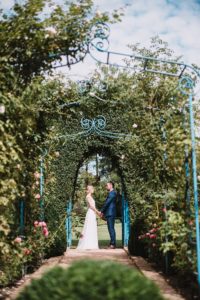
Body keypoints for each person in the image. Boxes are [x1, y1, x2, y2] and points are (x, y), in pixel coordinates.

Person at [77, 185, 100, 250]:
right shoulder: (88, 196)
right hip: (91, 213)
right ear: (90, 190)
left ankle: (92, 244)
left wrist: (96, 212)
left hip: (92, 213)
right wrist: (98, 212)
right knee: (89, 227)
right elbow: (91, 206)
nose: (93, 190)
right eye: (92, 188)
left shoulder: (90, 196)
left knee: (92, 227)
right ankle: (88, 244)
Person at [100, 181, 117, 249]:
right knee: (111, 228)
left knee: (111, 228)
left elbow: (107, 203)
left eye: (107, 185)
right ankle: (112, 243)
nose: (106, 187)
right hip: (110, 213)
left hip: (110, 213)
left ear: (111, 185)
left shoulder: (112, 193)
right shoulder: (111, 193)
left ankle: (112, 244)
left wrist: (101, 211)